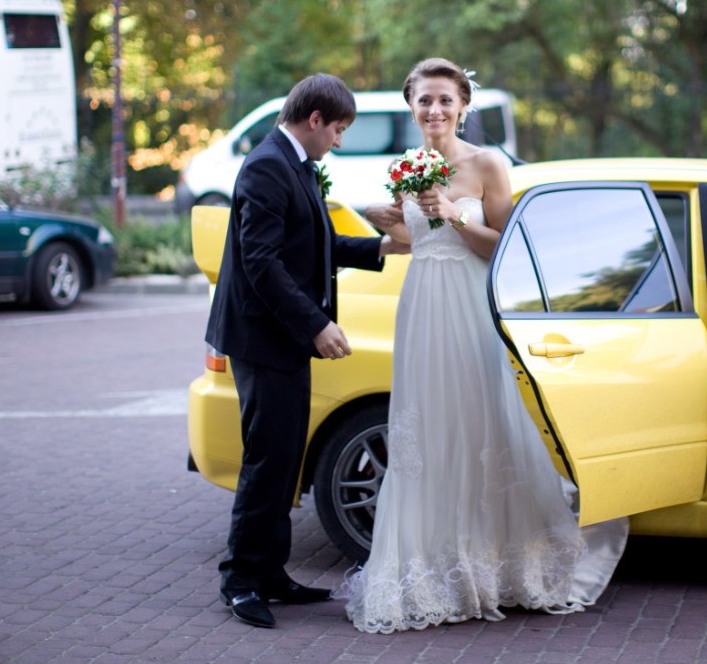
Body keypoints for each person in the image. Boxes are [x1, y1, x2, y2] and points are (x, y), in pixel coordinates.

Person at [342, 58, 627, 633]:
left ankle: (497, 564)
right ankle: (432, 567)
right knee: (426, 430)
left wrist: (452, 214)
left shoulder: (488, 163)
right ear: (411, 107)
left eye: (445, 99)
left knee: (481, 423)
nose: (435, 110)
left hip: (471, 307)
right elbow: (413, 241)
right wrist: (385, 221)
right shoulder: (404, 167)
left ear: (463, 106)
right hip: (422, 308)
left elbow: (503, 245)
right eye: (424, 100)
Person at [204, 73, 407, 630]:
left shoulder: (296, 164)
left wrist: (381, 247)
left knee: (287, 457)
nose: (339, 140)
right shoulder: (267, 166)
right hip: (262, 339)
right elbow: (261, 262)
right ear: (315, 119)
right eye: (338, 129)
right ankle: (240, 581)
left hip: (283, 339)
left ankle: (271, 573)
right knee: (267, 460)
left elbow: (314, 244)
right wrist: (316, 325)